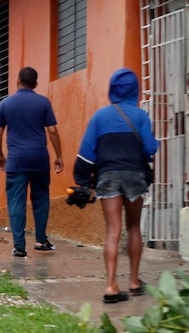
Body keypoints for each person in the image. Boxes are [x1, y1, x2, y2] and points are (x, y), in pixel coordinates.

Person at [74, 68, 159, 304]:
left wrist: (83, 184)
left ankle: (111, 285)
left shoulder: (99, 117)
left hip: (107, 175)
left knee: (113, 230)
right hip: (134, 176)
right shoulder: (141, 116)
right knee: (133, 227)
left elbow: (85, 155)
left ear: (112, 89)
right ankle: (133, 281)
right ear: (135, 90)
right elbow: (150, 149)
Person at [0, 67, 64, 257]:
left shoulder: (6, 104)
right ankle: (41, 240)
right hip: (39, 158)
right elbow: (53, 131)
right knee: (41, 198)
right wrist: (59, 156)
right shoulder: (43, 102)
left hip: (16, 161)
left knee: (16, 201)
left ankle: (19, 247)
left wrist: (0, 156)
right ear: (36, 85)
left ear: (17, 81)